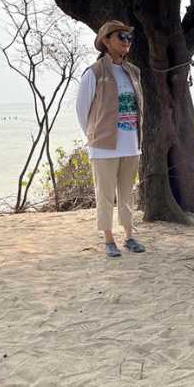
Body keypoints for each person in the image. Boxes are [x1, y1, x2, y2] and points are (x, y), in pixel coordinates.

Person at [76, 20, 146, 258]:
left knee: (126, 193)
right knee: (105, 194)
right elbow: (82, 110)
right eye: (121, 37)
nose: (126, 41)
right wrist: (95, 136)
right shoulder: (94, 73)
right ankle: (108, 238)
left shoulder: (134, 72)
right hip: (104, 147)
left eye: (129, 37)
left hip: (131, 144)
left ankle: (129, 235)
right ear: (106, 40)